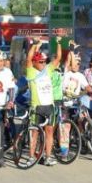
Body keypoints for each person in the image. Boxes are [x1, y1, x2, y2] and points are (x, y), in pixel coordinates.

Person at [24, 37, 61, 167]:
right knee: (34, 132)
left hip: (49, 106)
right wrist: (34, 45)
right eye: (40, 61)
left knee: (49, 131)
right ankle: (31, 157)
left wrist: (58, 43)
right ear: (35, 62)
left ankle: (47, 157)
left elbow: (58, 59)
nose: (43, 64)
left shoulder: (48, 70)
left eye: (44, 61)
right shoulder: (31, 71)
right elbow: (28, 58)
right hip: (37, 107)